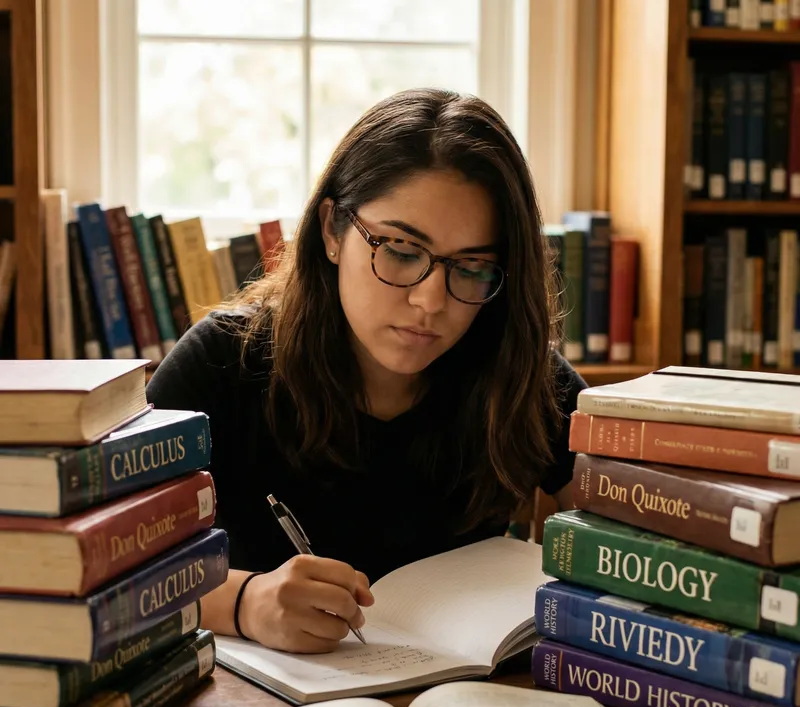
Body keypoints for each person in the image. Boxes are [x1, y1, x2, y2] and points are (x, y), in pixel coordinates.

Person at [146, 87, 587, 656]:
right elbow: (108, 575)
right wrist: (243, 601)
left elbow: (640, 543)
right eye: (402, 251)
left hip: (468, 705)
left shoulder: (523, 376)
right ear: (332, 230)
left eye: (473, 268)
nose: (431, 301)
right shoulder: (222, 362)